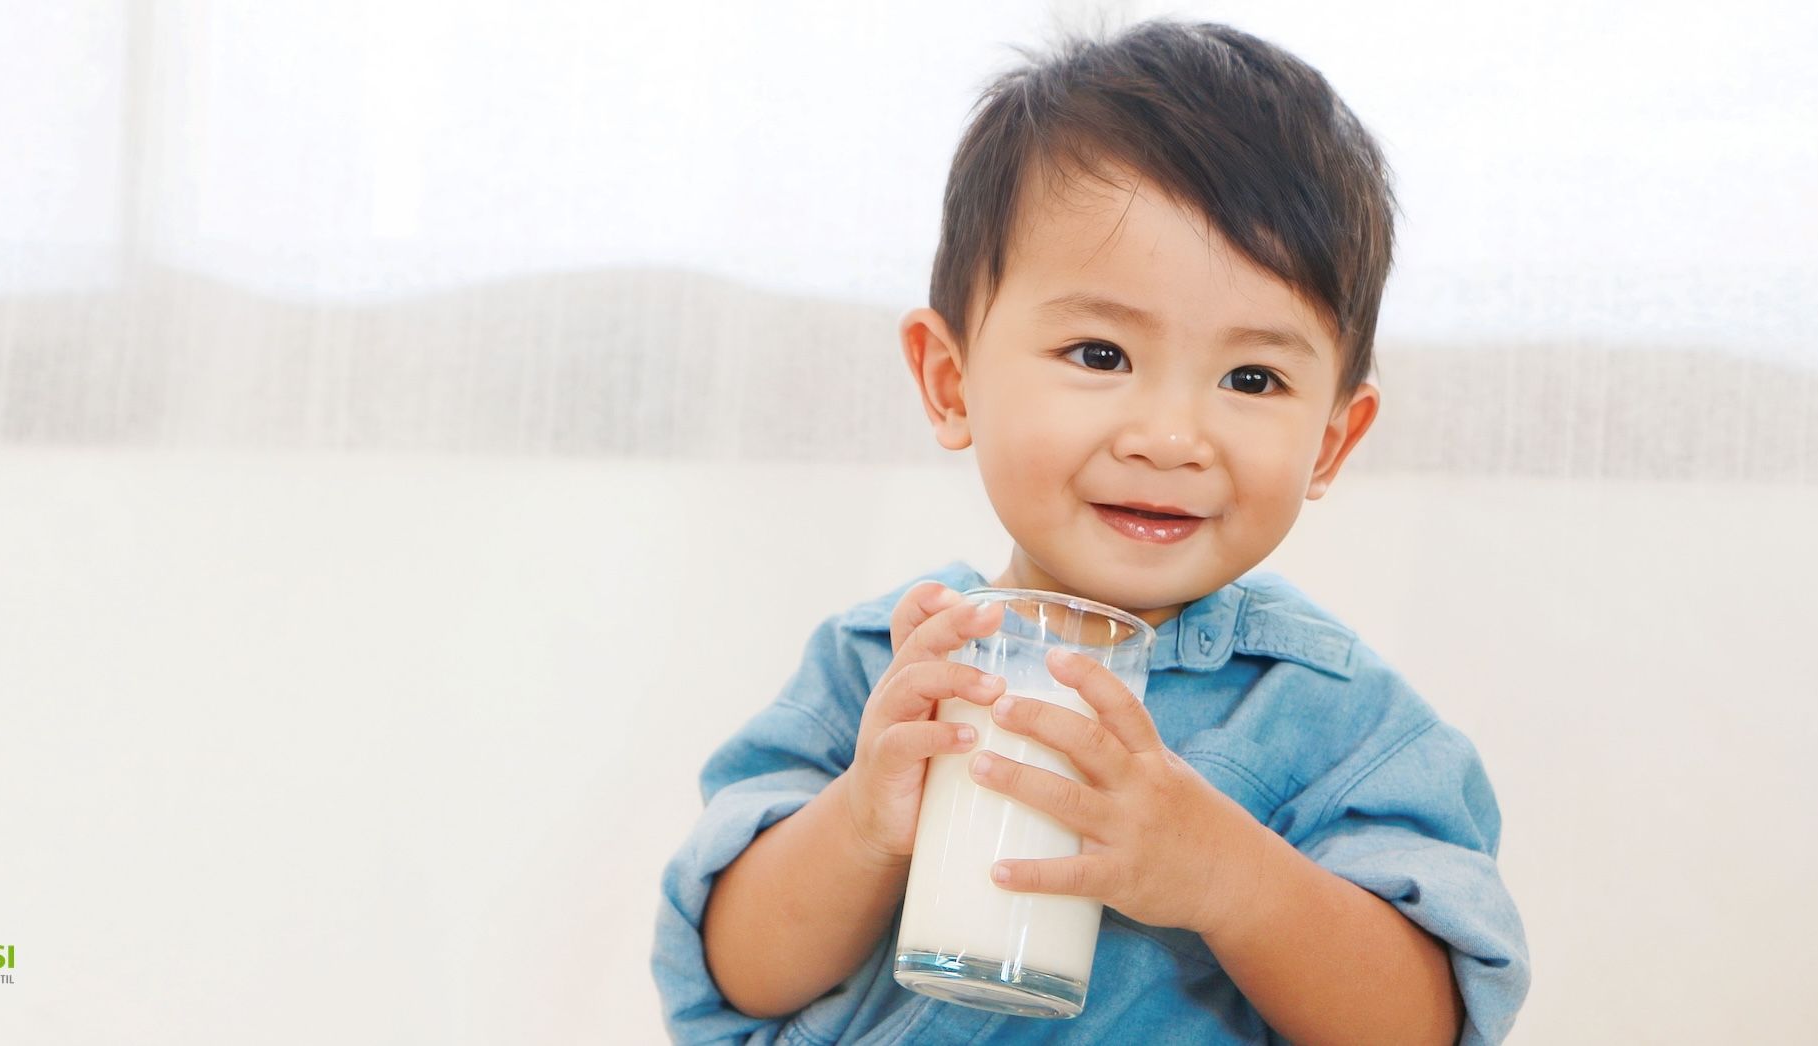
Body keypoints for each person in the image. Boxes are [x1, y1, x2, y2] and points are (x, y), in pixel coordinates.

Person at [652, 18, 1529, 1044]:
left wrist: (1228, 877)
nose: (1168, 436)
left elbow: (1418, 1024)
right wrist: (860, 822)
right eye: (1099, 353)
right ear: (950, 379)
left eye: (1251, 378)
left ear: (1331, 441)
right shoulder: (886, 667)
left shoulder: (1342, 726)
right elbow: (737, 972)